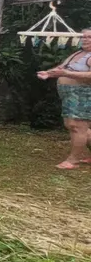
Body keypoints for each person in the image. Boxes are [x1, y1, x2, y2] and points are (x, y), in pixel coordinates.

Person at [38, 28, 91, 169]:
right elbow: (63, 68)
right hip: (70, 95)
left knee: (77, 126)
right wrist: (49, 73)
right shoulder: (79, 53)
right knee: (72, 125)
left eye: (89, 37)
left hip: (83, 96)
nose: (85, 39)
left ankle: (73, 161)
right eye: (84, 36)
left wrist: (67, 73)